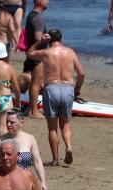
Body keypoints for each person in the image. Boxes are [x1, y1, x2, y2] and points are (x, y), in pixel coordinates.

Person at [25, 29, 85, 166]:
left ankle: (55, 159)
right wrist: (77, 89)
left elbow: (29, 53)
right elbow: (81, 73)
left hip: (51, 89)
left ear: (49, 39)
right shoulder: (70, 52)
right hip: (67, 89)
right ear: (61, 38)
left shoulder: (46, 53)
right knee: (65, 124)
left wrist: (39, 42)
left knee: (52, 128)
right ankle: (68, 146)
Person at [20, 0, 49, 119]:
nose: (48, 1)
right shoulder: (38, 18)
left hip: (31, 52)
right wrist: (47, 39)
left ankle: (30, 108)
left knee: (34, 82)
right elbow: (38, 39)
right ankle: (34, 111)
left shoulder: (31, 15)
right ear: (41, 2)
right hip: (37, 54)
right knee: (36, 83)